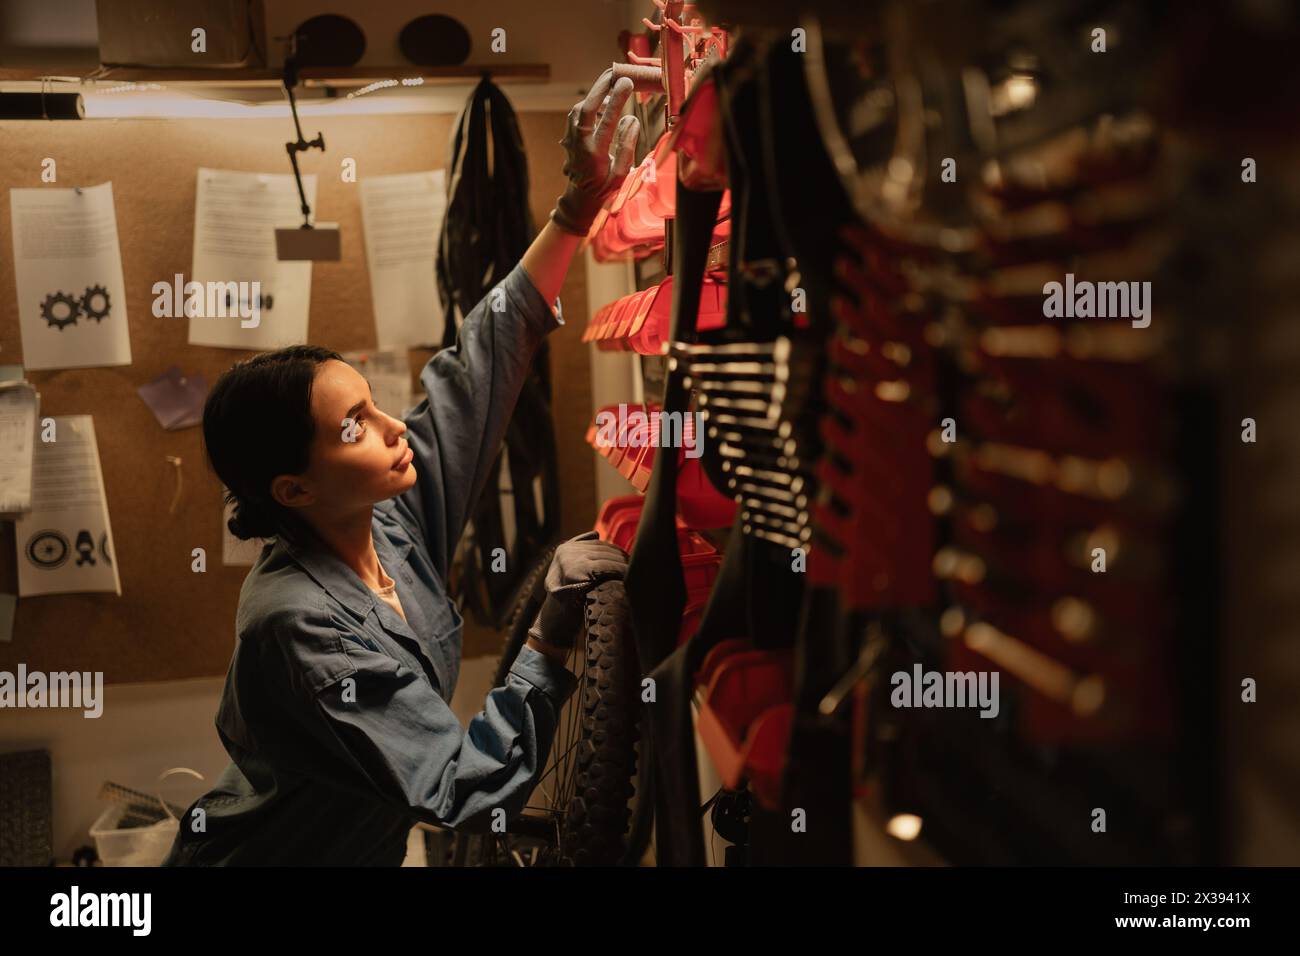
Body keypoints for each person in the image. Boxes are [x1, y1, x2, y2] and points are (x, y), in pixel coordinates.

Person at [163, 69, 640, 865]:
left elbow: (479, 364)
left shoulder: (381, 514)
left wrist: (578, 206)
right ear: (294, 488)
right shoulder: (297, 627)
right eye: (356, 426)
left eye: (374, 404)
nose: (396, 431)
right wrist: (548, 639)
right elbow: (467, 793)